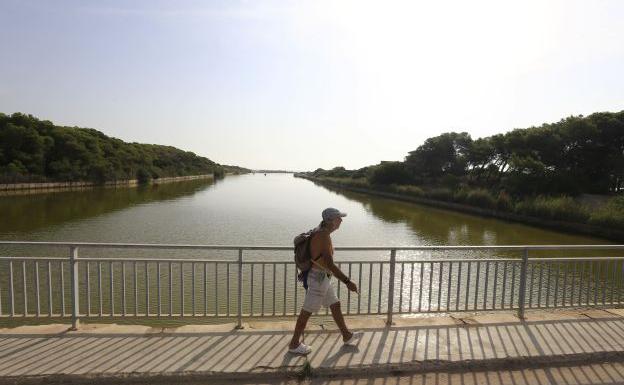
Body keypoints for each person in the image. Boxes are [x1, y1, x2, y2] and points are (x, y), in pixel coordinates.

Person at [288, 207, 362, 355]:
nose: (341, 220)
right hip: (318, 279)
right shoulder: (323, 236)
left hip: (323, 278)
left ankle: (346, 335)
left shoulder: (321, 231)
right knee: (306, 312)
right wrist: (348, 282)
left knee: (335, 304)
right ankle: (294, 344)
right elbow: (330, 264)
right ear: (331, 221)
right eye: (339, 218)